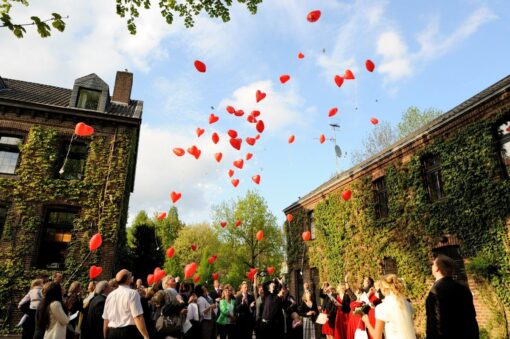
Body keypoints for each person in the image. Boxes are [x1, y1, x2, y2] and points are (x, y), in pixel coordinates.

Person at [425, 255, 479, 339]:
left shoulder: (436, 291)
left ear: (437, 269)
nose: (431, 266)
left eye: (433, 264)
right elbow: (471, 318)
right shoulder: (463, 288)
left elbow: (436, 322)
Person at [361, 274, 416, 339]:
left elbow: (377, 337)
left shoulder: (381, 308)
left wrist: (367, 322)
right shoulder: (407, 304)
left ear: (383, 290)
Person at [102, 269, 150, 339]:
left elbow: (106, 320)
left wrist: (105, 336)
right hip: (128, 333)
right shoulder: (133, 293)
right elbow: (138, 317)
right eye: (130, 274)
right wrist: (146, 336)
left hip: (112, 333)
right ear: (128, 279)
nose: (132, 276)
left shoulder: (110, 295)